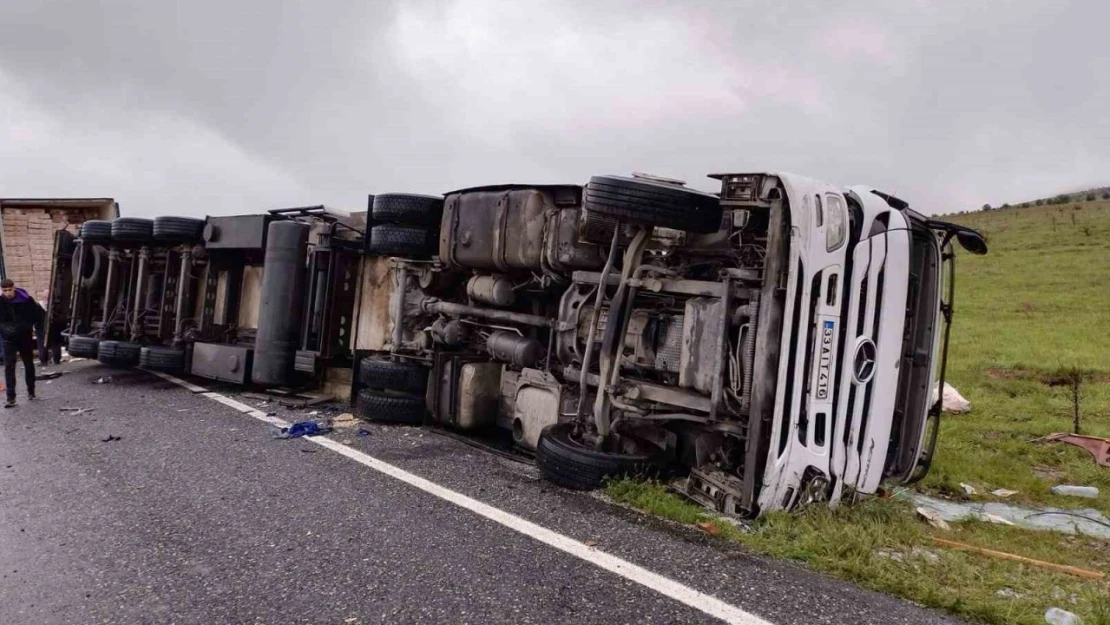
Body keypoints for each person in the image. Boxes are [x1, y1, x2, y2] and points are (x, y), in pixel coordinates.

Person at [0, 278, 44, 407]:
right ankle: (10, 397)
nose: (8, 293)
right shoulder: (1, 302)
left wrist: (32, 327)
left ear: (14, 288)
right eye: (5, 291)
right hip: (8, 339)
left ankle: (31, 392)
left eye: (9, 290)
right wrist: (4, 328)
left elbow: (38, 316)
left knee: (28, 364)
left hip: (24, 337)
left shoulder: (26, 300)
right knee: (9, 367)